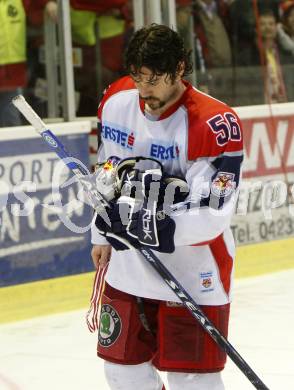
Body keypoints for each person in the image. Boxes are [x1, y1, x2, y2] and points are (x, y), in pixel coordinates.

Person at [91, 24, 243, 390]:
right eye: (138, 78)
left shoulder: (214, 124)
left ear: (179, 69)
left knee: (192, 380)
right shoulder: (116, 100)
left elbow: (213, 214)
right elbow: (105, 168)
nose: (144, 91)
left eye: (155, 80)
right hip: (127, 267)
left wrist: (149, 225)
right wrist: (101, 230)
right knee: (122, 373)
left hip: (193, 270)